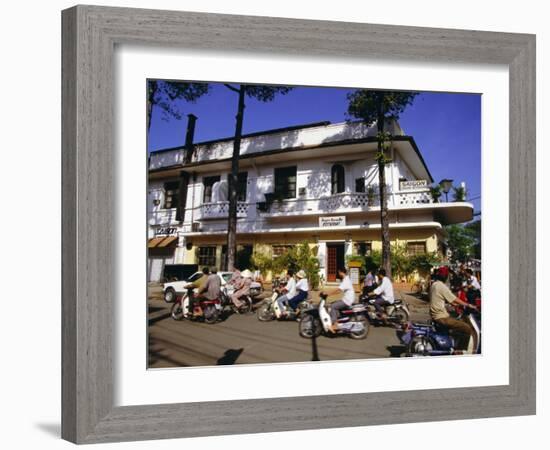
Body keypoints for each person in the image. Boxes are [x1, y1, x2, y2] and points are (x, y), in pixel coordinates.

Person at [429, 266, 478, 353]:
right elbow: (454, 298)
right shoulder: (442, 286)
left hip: (436, 316)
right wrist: (468, 305)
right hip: (442, 317)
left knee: (456, 324)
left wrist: (457, 305)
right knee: (467, 328)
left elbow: (449, 300)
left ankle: (452, 345)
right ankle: (460, 351)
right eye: (448, 276)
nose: (448, 278)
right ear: (445, 276)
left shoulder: (434, 284)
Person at [322, 267, 355, 333]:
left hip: (347, 300)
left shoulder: (346, 280)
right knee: (333, 303)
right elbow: (339, 290)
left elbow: (338, 290)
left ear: (341, 272)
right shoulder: (346, 279)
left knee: (332, 306)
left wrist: (328, 294)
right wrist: (328, 293)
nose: (338, 274)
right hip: (347, 299)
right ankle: (337, 321)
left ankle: (335, 325)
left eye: (338, 272)